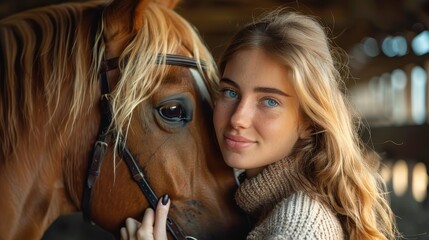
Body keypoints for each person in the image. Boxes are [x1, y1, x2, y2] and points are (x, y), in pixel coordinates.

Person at [120, 9, 398, 240]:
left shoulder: (301, 226)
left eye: (269, 101)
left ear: (308, 122)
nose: (238, 118)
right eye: (230, 92)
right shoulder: (256, 209)